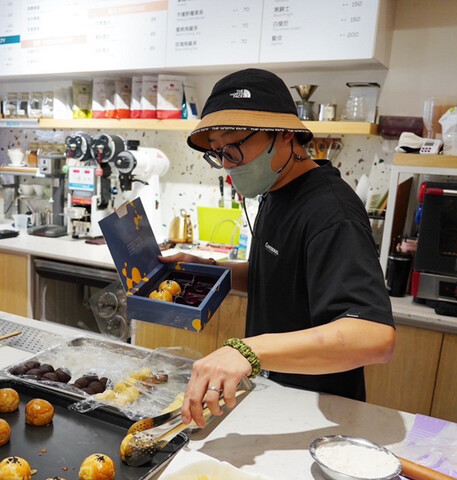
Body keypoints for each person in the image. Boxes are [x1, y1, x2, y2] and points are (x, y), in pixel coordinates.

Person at [164, 69, 396, 427]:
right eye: (217, 152)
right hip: (275, 396)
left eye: (234, 147)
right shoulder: (276, 191)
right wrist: (208, 269)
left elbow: (374, 336)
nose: (226, 164)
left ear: (285, 134)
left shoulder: (331, 212)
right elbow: (278, 275)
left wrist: (247, 351)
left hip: (316, 412)